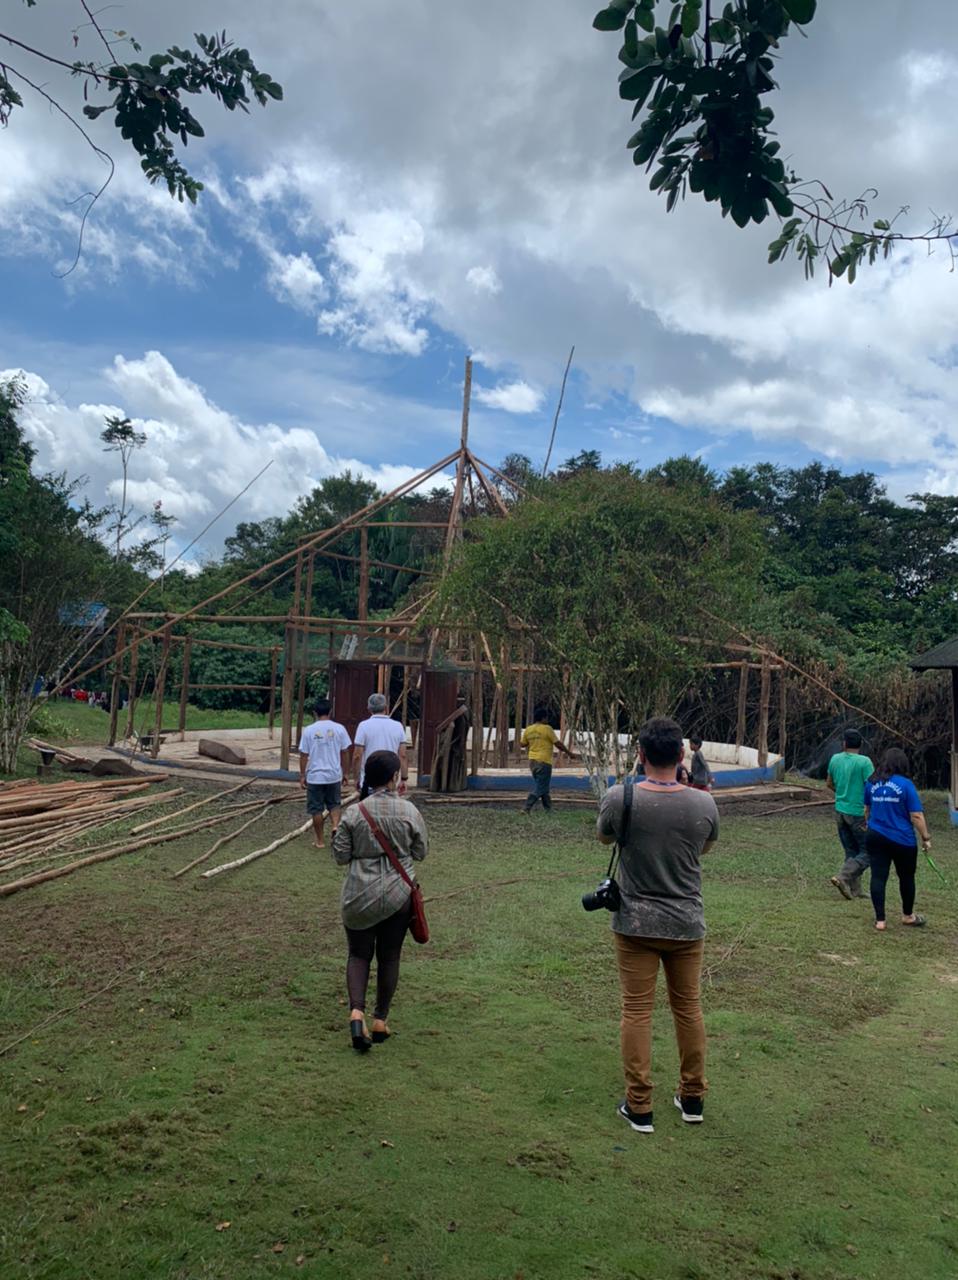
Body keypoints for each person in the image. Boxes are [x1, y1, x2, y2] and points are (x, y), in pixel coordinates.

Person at [597, 716, 719, 1134]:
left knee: (636, 1010)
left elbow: (604, 838)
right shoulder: (704, 803)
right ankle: (692, 1098)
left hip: (635, 922)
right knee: (688, 1008)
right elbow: (704, 848)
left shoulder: (620, 798)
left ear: (640, 755)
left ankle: (639, 1105)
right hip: (687, 923)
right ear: (682, 755)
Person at [332, 749, 428, 1052]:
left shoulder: (353, 813)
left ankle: (356, 1014)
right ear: (392, 778)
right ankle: (380, 1020)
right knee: (390, 956)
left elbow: (340, 857)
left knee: (358, 955)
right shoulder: (409, 811)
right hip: (398, 895)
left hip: (358, 894)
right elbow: (420, 852)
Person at [864, 748, 931, 932]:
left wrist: (869, 825)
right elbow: (916, 815)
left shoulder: (872, 782)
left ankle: (880, 921)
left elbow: (867, 809)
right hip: (903, 840)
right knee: (906, 877)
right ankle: (908, 915)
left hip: (875, 835)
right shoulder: (906, 784)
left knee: (878, 876)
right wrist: (925, 837)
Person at [827, 729, 875, 900]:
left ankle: (855, 890)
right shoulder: (865, 762)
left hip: (840, 810)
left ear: (844, 743)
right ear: (860, 744)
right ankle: (843, 877)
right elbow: (871, 788)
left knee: (851, 850)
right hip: (858, 813)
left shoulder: (835, 759)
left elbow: (829, 783)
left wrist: (842, 793)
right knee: (869, 852)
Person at [298, 698, 352, 849]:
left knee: (316, 809)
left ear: (314, 713)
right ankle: (335, 826)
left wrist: (302, 775)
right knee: (334, 805)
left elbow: (303, 755)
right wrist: (346, 772)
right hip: (334, 774)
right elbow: (345, 751)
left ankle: (320, 841)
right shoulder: (339, 728)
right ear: (330, 712)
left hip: (315, 776)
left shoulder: (309, 730)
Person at [520, 706, 579, 812]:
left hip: (532, 762)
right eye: (546, 718)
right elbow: (558, 744)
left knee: (543, 786)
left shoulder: (529, 729)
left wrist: (534, 740)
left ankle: (548, 809)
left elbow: (522, 744)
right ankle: (526, 807)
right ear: (543, 718)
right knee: (541, 787)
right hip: (544, 762)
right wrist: (569, 753)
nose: (547, 720)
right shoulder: (547, 729)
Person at [353, 693, 408, 798]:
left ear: (369, 708)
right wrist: (404, 779)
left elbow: (357, 755)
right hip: (391, 779)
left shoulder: (363, 726)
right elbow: (403, 755)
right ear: (386, 708)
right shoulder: (398, 726)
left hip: (369, 779)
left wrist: (357, 778)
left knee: (367, 811)